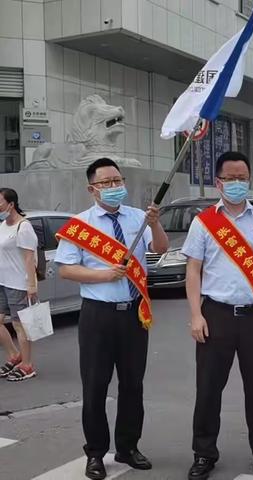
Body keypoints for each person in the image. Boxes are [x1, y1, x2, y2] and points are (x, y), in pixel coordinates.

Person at [55, 158, 169, 480]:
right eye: (107, 182)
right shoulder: (80, 225)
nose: (115, 187)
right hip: (98, 316)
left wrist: (156, 223)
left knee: (133, 385)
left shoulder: (138, 217)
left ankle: (128, 447)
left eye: (118, 180)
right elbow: (64, 268)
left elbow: (159, 249)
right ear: (92, 189)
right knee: (95, 387)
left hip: (134, 315)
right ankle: (95, 453)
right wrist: (103, 275)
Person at [182, 151, 253, 480]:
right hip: (215, 314)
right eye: (230, 178)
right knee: (208, 389)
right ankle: (204, 453)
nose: (236, 183)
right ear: (218, 183)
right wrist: (195, 315)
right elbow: (193, 271)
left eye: (242, 177)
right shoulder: (204, 222)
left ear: (249, 180)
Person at [0, 188, 38, 381]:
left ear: (11, 204)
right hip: (2, 282)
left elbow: (29, 257)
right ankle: (15, 355)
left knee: (20, 325)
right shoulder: (2, 225)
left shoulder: (23, 227)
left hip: (18, 283)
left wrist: (31, 286)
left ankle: (27, 365)